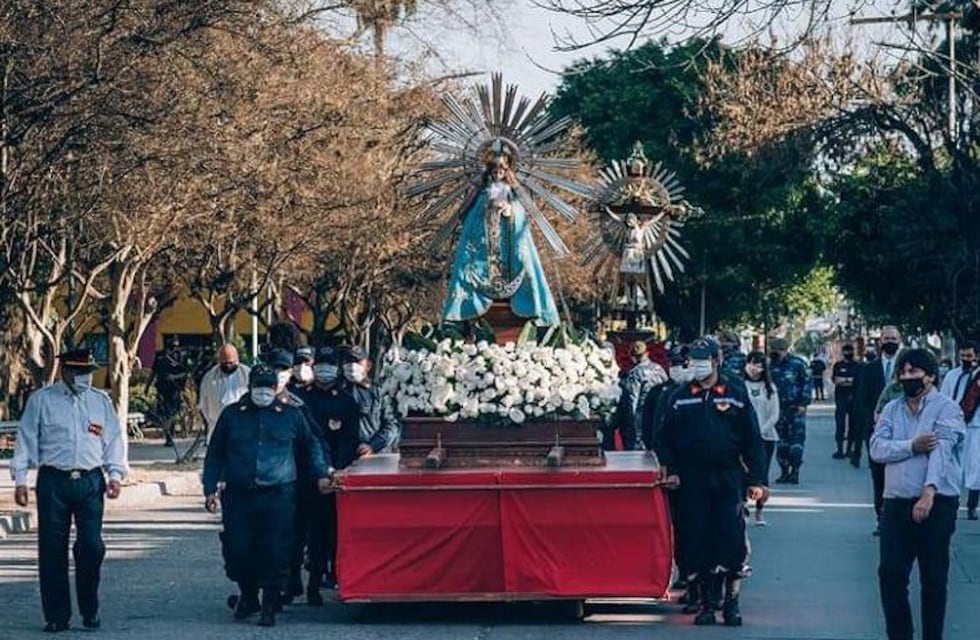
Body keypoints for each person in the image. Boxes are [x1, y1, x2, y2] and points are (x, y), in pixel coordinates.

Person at [202, 365, 335, 627]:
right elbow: (215, 453)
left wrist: (321, 474)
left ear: (276, 389)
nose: (262, 392)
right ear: (250, 387)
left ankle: (270, 604)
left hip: (278, 494)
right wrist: (209, 488)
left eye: (267, 386)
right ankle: (249, 595)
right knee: (239, 549)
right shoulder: (232, 415)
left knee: (276, 550)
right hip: (239, 495)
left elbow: (312, 447)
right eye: (258, 386)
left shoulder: (291, 415)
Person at [11, 348, 127, 633]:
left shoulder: (100, 402)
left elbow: (114, 440)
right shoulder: (42, 401)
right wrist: (21, 479)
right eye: (78, 372)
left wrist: (115, 474)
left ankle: (90, 608)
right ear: (64, 371)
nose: (84, 377)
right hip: (54, 481)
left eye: (88, 371)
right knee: (52, 550)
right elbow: (25, 438)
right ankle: (57, 616)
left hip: (90, 482)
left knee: (91, 546)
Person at [655, 337, 767, 627]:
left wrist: (757, 480)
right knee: (698, 539)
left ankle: (731, 604)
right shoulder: (679, 396)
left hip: (728, 476)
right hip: (692, 480)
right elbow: (663, 438)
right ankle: (705, 604)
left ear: (716, 362)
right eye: (693, 359)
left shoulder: (735, 393)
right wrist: (671, 469)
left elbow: (753, 440)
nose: (697, 365)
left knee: (731, 538)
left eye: (703, 359)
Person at [870, 349, 965, 640]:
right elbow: (877, 449)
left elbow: (942, 451)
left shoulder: (947, 408)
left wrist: (929, 491)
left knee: (933, 579)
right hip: (897, 503)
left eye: (915, 372)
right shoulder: (892, 409)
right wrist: (911, 445)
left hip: (936, 503)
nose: (908, 378)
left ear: (931, 376)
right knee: (891, 575)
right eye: (904, 373)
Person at [442, 142, 560, 326]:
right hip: (484, 243)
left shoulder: (512, 194)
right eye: (494, 169)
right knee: (469, 256)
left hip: (507, 240)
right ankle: (465, 307)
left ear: (507, 171)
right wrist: (486, 209)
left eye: (502, 169)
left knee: (523, 254)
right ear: (489, 171)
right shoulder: (482, 193)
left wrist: (509, 210)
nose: (498, 173)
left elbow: (520, 216)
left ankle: (529, 303)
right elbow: (468, 217)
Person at [853, 326, 903, 535]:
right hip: (875, 431)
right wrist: (874, 421)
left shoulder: (907, 366)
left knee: (901, 475)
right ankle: (881, 518)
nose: (890, 341)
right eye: (886, 338)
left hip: (904, 433)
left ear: (899, 340)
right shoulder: (868, 369)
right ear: (880, 341)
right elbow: (861, 400)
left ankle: (899, 519)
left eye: (894, 338)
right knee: (879, 475)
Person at [941, 341, 980, 519]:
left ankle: (972, 506)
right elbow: (945, 399)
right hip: (955, 426)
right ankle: (952, 503)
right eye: (963, 356)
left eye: (969, 356)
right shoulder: (951, 376)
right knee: (953, 467)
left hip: (976, 426)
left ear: (976, 357)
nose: (966, 359)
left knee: (975, 467)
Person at [743, 351, 780, 526]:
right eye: (753, 364)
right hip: (743, 437)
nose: (756, 369)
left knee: (761, 475)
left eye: (760, 365)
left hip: (766, 437)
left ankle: (759, 511)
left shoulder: (770, 388)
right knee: (743, 472)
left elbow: (775, 415)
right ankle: (742, 506)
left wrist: (760, 431)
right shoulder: (739, 386)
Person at [339, 346, 399, 456]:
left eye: (357, 362)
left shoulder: (378, 392)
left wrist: (373, 446)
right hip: (342, 458)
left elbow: (392, 425)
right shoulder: (337, 391)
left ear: (368, 365)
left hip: (374, 457)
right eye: (348, 361)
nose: (352, 366)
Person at [769, 337, 812, 484]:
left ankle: (795, 471)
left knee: (796, 442)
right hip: (777, 410)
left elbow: (807, 383)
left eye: (780, 350)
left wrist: (803, 403)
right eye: (774, 349)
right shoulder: (768, 365)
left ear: (786, 350)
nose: (777, 353)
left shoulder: (798, 364)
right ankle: (784, 472)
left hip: (795, 409)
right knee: (781, 443)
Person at [620, 340, 668, 451]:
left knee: (640, 448)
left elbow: (632, 399)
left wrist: (630, 424)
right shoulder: (659, 369)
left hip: (642, 415)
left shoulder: (635, 373)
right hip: (659, 412)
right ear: (647, 353)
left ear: (632, 356)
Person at [197, 344, 250, 443]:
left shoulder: (247, 374)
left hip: (242, 428)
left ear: (237, 360)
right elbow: (203, 405)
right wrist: (212, 421)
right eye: (225, 363)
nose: (228, 366)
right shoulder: (209, 377)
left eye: (231, 363)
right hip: (217, 427)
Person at [145, 336, 189, 447]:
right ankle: (168, 437)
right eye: (171, 346)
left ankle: (171, 434)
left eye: (175, 346)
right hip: (162, 389)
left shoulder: (180, 357)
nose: (173, 349)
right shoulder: (160, 357)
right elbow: (153, 373)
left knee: (173, 414)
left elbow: (186, 373)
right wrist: (147, 386)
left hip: (175, 389)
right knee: (164, 414)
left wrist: (173, 377)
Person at [832, 343, 861, 459]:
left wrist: (845, 380)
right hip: (841, 398)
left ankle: (849, 450)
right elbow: (836, 380)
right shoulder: (838, 365)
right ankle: (839, 450)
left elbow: (858, 382)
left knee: (853, 425)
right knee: (840, 424)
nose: (848, 353)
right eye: (846, 351)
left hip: (854, 398)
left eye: (850, 351)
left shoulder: (858, 366)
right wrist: (849, 381)